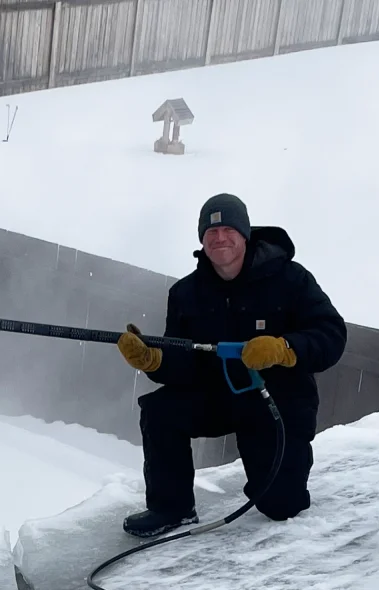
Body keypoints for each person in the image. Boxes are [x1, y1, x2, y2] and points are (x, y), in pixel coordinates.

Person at [116, 193, 347, 538]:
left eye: (228, 229)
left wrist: (284, 349)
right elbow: (183, 363)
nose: (219, 238)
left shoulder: (291, 279)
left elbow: (331, 334)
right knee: (160, 410)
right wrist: (154, 360)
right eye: (211, 232)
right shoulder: (186, 293)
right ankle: (171, 508)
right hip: (218, 397)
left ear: (245, 234)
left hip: (277, 402)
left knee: (281, 505)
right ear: (201, 240)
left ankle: (276, 483)